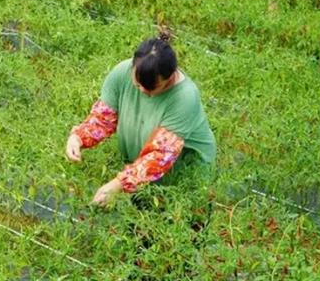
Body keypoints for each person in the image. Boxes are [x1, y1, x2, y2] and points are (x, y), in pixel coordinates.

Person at [65, 31, 216, 207]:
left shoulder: (184, 97)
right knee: (138, 219)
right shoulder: (121, 73)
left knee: (176, 222)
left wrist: (118, 184)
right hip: (141, 170)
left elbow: (160, 155)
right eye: (138, 85)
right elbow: (103, 118)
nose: (143, 91)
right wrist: (79, 137)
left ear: (171, 76)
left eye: (153, 88)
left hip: (183, 172)